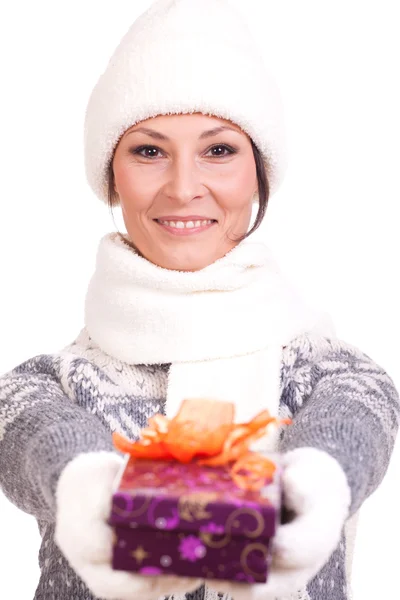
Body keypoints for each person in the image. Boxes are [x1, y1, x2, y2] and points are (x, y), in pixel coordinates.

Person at [0, 1, 398, 599]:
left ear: (259, 173)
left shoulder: (334, 372)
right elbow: (32, 434)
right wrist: (82, 483)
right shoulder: (46, 385)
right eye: (148, 151)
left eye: (218, 150)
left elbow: (355, 425)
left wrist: (316, 482)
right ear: (111, 175)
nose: (184, 189)